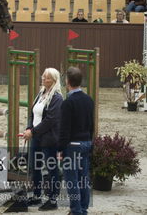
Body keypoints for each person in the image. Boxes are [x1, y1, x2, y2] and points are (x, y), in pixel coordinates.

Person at [23, 68, 63, 211]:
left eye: (46, 77)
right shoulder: (41, 94)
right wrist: (29, 129)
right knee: (35, 167)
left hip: (49, 139)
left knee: (52, 168)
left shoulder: (57, 98)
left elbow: (50, 120)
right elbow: (33, 114)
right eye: (43, 76)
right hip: (36, 136)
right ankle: (37, 195)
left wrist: (32, 132)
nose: (43, 79)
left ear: (53, 80)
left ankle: (53, 199)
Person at [58, 67, 94, 215]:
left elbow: (64, 130)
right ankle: (83, 209)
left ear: (67, 82)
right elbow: (91, 125)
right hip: (86, 142)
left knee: (72, 180)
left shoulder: (68, 103)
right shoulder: (89, 100)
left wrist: (60, 149)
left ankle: (76, 210)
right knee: (84, 178)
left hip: (73, 145)